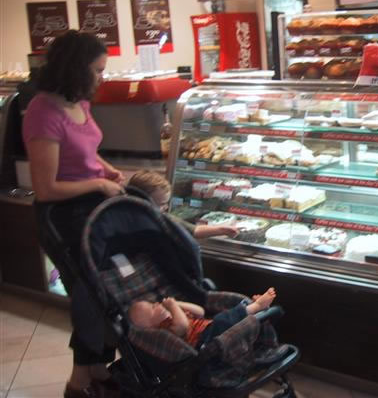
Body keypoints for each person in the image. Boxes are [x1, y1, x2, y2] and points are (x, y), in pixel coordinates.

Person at [22, 30, 125, 398]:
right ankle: (79, 382)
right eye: (97, 70)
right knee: (90, 296)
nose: (102, 78)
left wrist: (106, 169)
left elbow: (86, 149)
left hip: (90, 211)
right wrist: (97, 184)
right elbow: (46, 188)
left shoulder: (78, 102)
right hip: (62, 218)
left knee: (108, 291)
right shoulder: (42, 113)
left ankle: (99, 369)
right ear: (75, 68)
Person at [128, 288, 276, 348]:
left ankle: (251, 307)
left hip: (210, 329)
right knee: (222, 320)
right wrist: (172, 306)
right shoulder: (164, 330)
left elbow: (200, 311)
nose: (156, 304)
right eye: (152, 308)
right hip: (205, 341)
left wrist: (177, 304)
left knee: (225, 317)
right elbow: (183, 327)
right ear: (150, 325)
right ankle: (255, 307)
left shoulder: (174, 313)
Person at [127, 169, 238, 240]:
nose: (166, 207)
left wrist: (221, 230)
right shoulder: (125, 224)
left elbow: (194, 230)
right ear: (141, 202)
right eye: (161, 204)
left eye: (166, 203)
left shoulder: (163, 218)